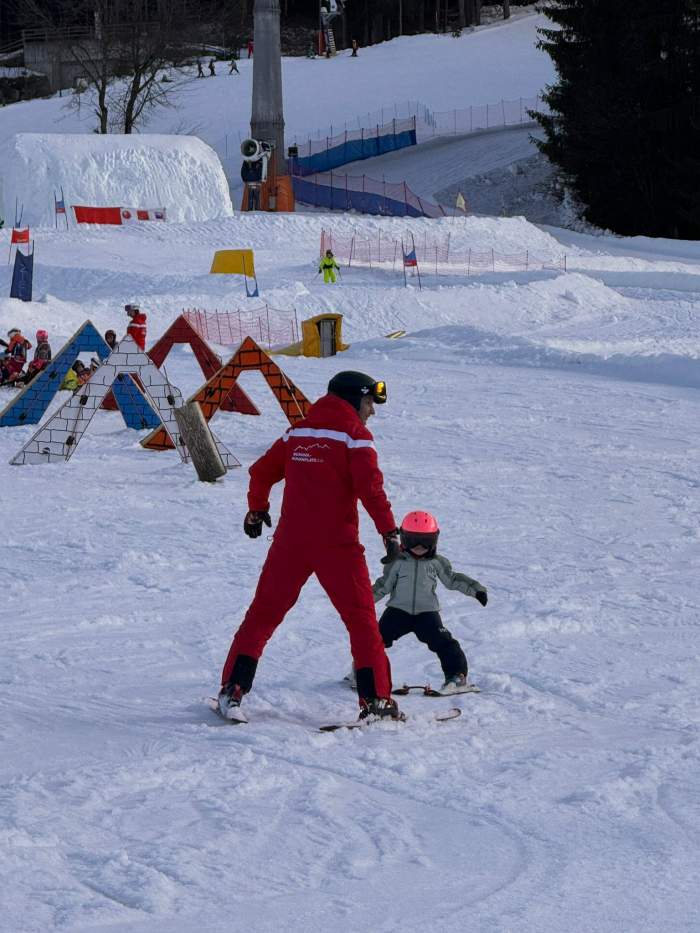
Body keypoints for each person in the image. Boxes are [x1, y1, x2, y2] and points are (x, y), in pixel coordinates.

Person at [218, 370, 403, 725]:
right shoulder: (355, 436)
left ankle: (232, 690)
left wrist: (257, 509)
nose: (371, 412)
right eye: (369, 403)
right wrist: (389, 533)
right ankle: (376, 701)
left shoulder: (298, 431)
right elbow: (371, 490)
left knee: (262, 615)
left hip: (291, 543)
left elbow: (260, 472)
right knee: (361, 621)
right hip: (337, 546)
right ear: (354, 398)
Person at [349, 511, 488, 693]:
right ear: (404, 540)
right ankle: (362, 675)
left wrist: (477, 590)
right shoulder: (397, 562)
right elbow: (383, 586)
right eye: (414, 541)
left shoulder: (437, 562)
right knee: (374, 641)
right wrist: (360, 603)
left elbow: (453, 579)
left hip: (427, 614)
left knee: (445, 643)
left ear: (434, 541)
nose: (419, 547)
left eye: (426, 542)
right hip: (397, 612)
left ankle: (457, 678)